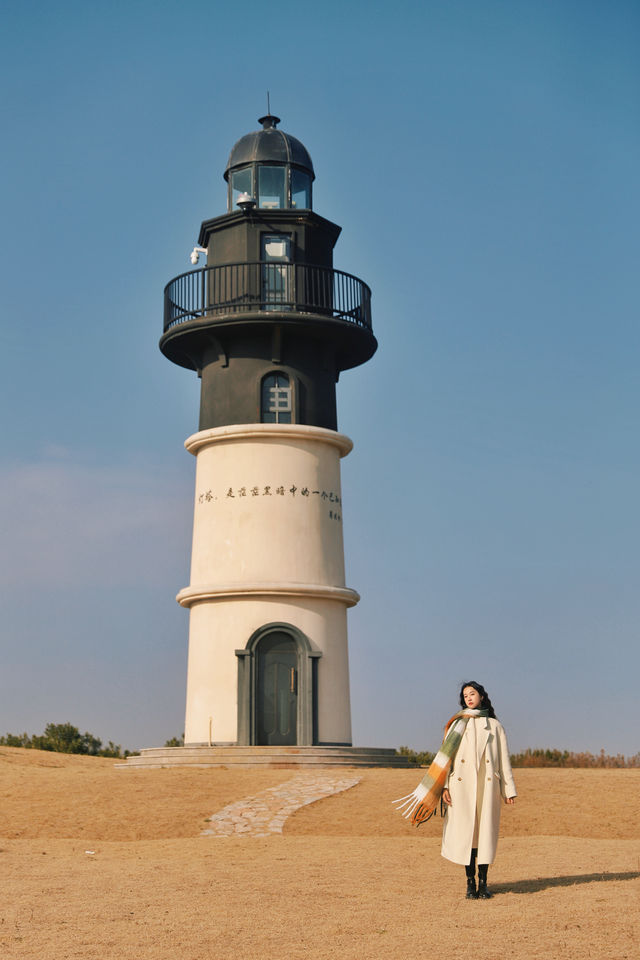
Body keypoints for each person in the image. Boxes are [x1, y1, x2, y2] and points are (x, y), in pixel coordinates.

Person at [393, 680, 516, 900]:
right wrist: (445, 787)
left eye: (472, 693)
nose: (469, 698)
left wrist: (509, 790)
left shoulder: (495, 726)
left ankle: (484, 883)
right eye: (465, 695)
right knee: (466, 835)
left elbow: (503, 759)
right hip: (461, 788)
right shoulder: (457, 725)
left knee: (484, 835)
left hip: (487, 788)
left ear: (481, 696)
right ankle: (470, 884)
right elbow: (446, 760)